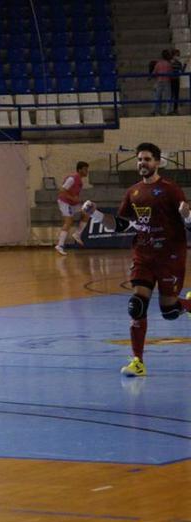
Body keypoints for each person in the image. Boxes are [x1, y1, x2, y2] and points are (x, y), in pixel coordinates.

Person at [82, 143, 191, 377]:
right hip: (143, 254)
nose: (143, 163)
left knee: (169, 311)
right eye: (140, 159)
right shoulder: (133, 192)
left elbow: (188, 221)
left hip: (170, 255)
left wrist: (188, 215)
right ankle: (137, 362)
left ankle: (187, 305)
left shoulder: (171, 190)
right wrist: (96, 214)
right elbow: (119, 225)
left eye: (148, 159)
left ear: (158, 162)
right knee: (136, 305)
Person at [55, 161, 89, 255]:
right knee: (69, 221)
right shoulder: (72, 179)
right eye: (85, 169)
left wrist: (77, 199)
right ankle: (60, 245)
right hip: (64, 202)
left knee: (87, 212)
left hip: (72, 203)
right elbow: (62, 191)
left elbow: (74, 194)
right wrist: (72, 198)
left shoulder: (80, 181)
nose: (87, 171)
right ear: (79, 170)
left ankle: (77, 234)